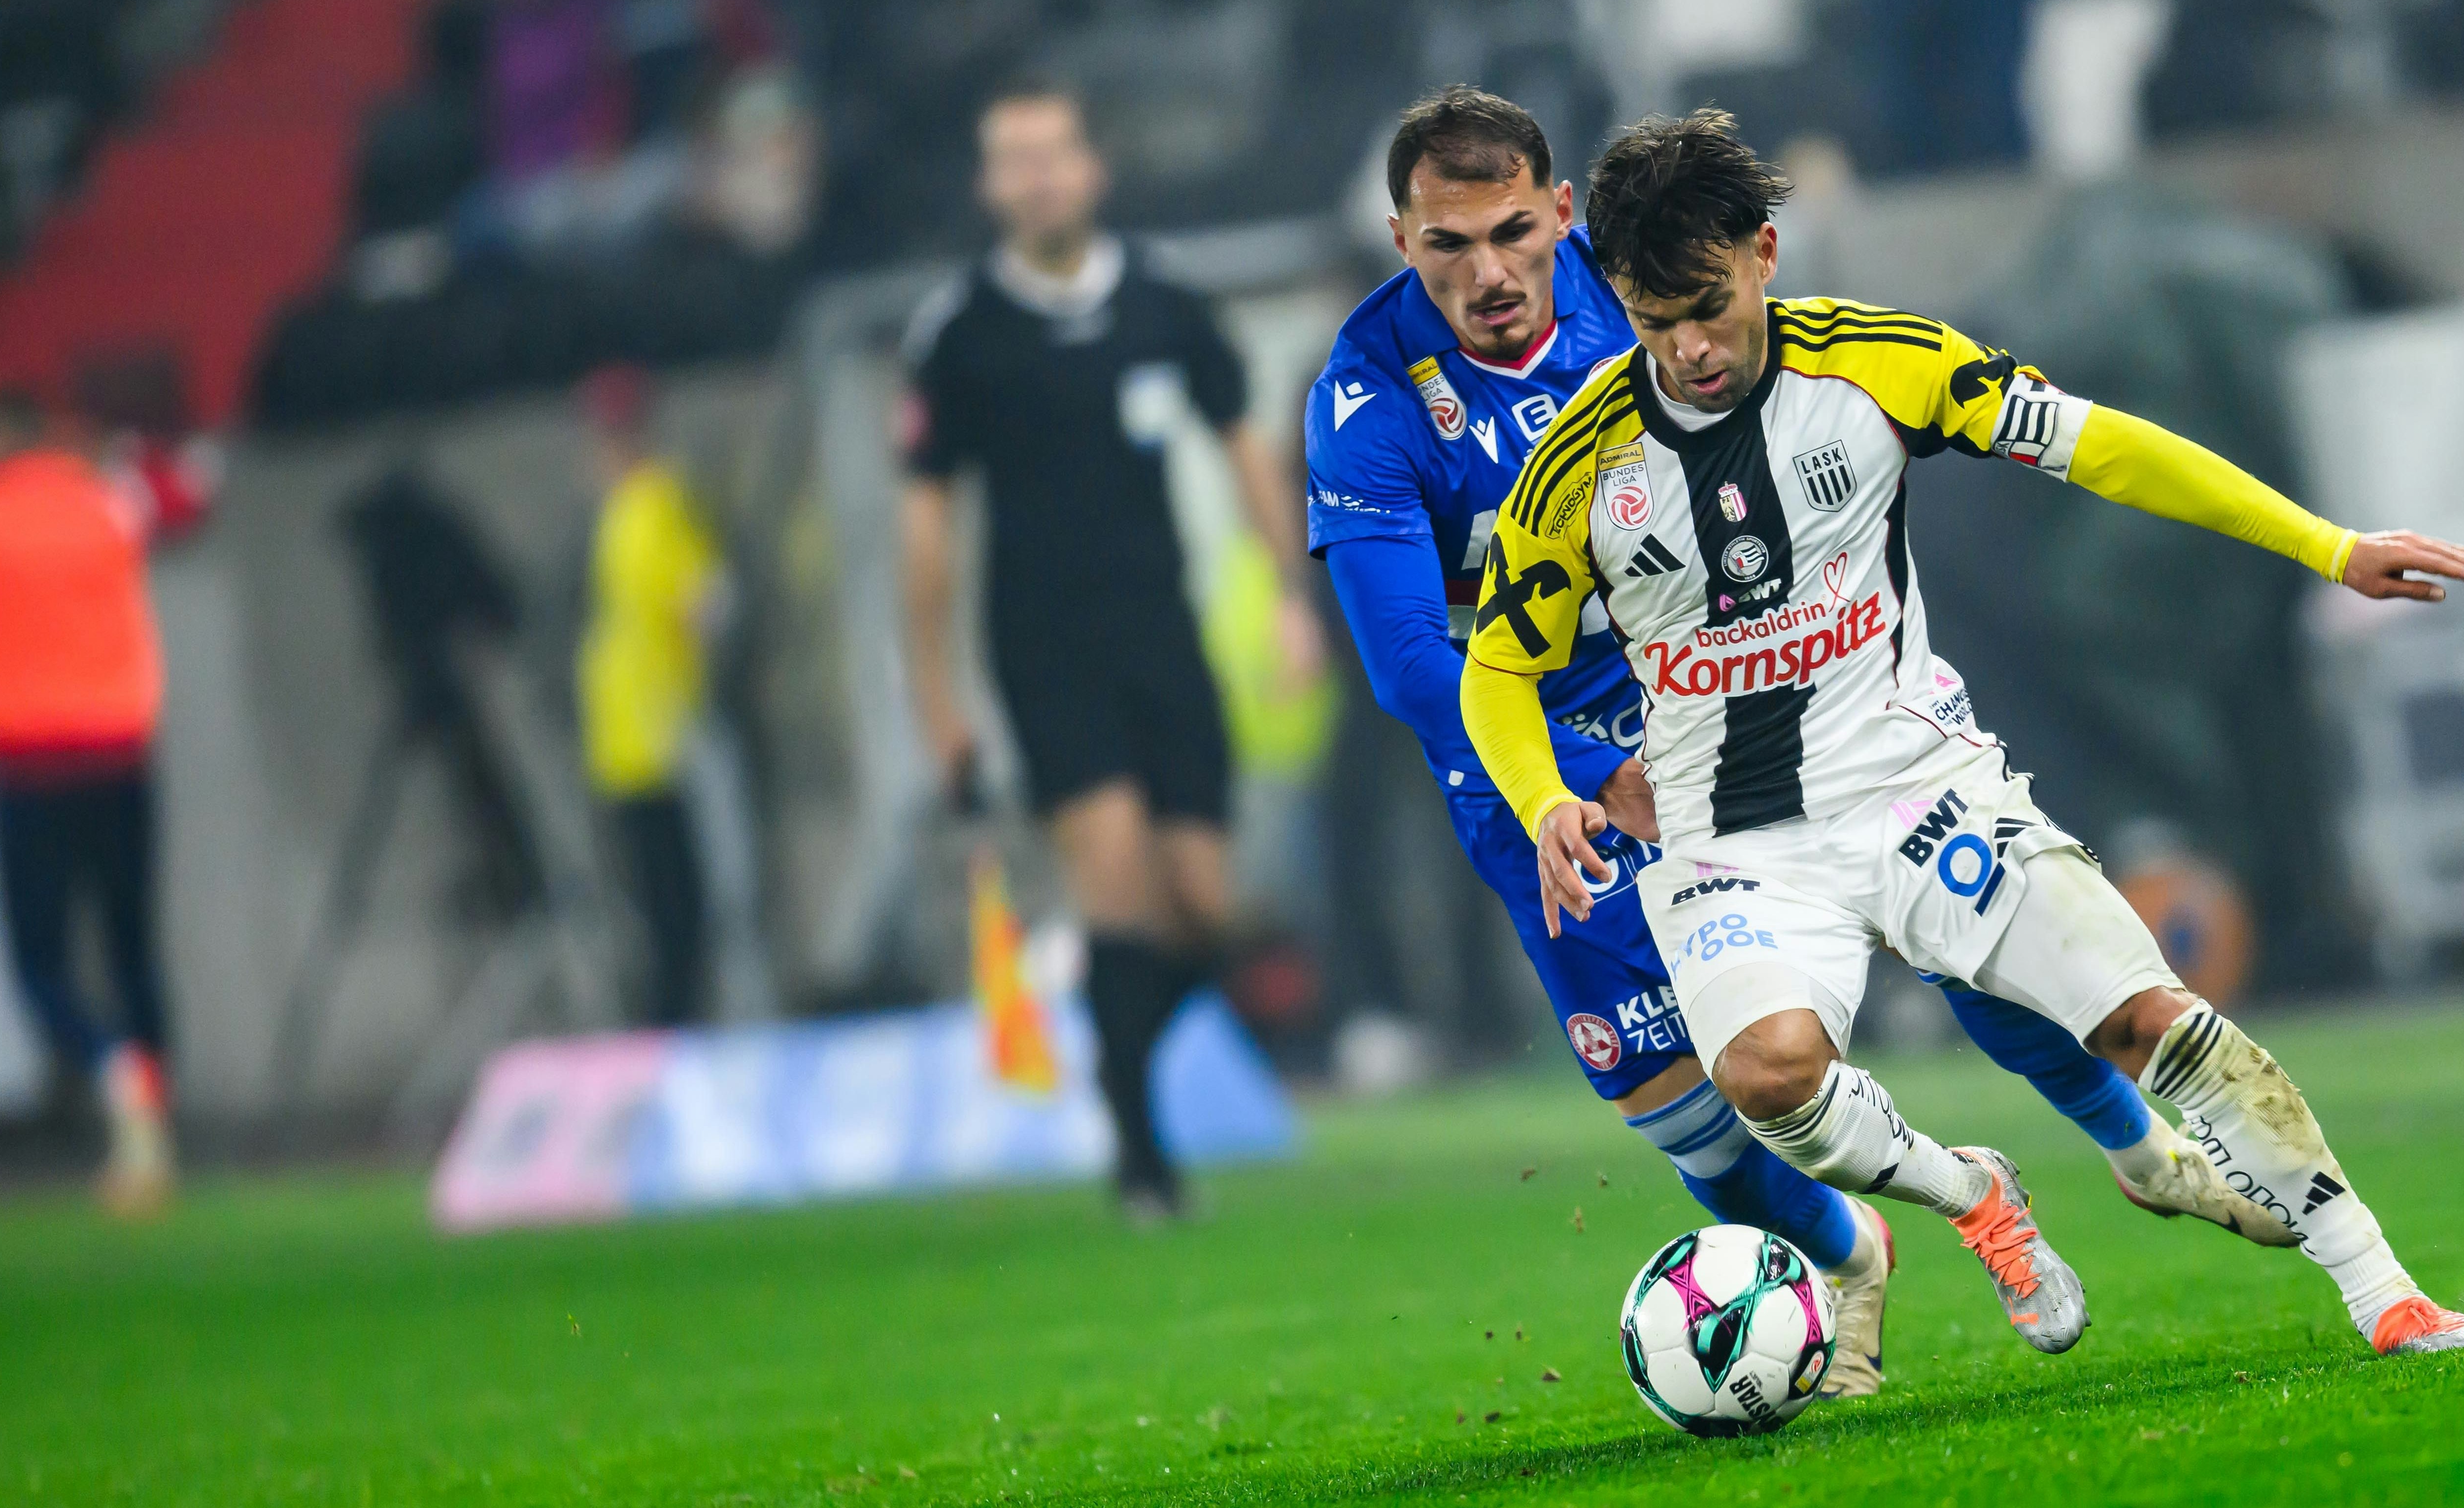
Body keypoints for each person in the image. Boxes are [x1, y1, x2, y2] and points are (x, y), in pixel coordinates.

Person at [1463, 110, 2464, 1360]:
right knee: (1768, 1080)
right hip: (1733, 843)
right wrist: (1544, 800)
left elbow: (2105, 450)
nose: (1687, 349)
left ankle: (2387, 1294)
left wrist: (2329, 546)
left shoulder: (1877, 364)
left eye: (1706, 303)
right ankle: (1973, 1195)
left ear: (1764, 252)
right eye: (1650, 320)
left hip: (1919, 789)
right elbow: (1497, 673)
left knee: (2151, 1022)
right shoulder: (1576, 470)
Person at [1309, 88, 2285, 1398]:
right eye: (1445, 245)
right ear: (1398, 239)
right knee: (1681, 1100)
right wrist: (1577, 777)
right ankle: (1855, 1242)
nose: (1485, 273)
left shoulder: (1641, 280)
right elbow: (1408, 657)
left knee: (1955, 928)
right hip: (1536, 756)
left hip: (1737, 679)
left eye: (1509, 233)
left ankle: (2138, 1147)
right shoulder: (1365, 397)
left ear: (1557, 214)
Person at [898, 78, 1323, 1222]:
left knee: (1202, 906)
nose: (1038, 175)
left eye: (1054, 152)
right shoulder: (962, 336)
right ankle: (1142, 1155)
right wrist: (935, 694)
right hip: (1044, 649)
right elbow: (926, 524)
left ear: (1093, 168)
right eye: (1013, 158)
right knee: (1119, 878)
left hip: (1163, 631)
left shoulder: (1165, 305)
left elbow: (1244, 451)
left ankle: (1111, 1040)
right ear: (991, 187)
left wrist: (1294, 596)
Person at [0, 390, 173, 1214]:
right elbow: (184, 495)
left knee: (38, 961)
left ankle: (116, 1072)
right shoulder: (108, 501)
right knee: (133, 943)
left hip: (27, 767)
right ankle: (155, 1133)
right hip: (121, 752)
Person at [575, 362, 726, 1027]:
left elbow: (703, 604)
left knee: (679, 909)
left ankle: (678, 1033)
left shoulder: (652, 504)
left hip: (660, 740)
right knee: (668, 907)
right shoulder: (628, 510)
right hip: (633, 744)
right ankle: (670, 1030)